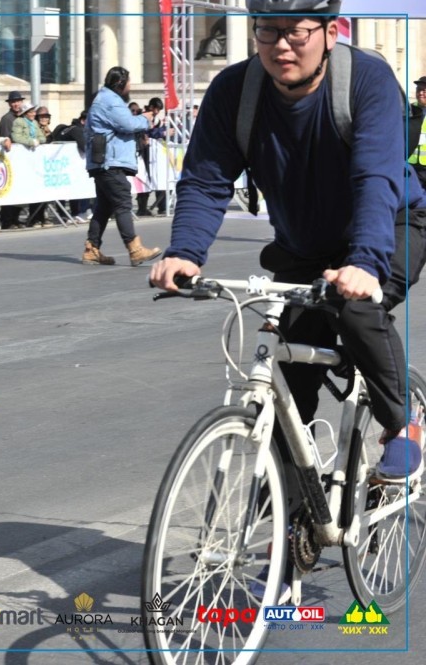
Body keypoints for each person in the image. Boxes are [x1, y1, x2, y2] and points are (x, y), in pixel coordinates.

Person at [149, 0, 426, 482]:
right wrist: (184, 253)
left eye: (296, 32)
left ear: (330, 33)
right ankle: (290, 505)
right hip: (303, 248)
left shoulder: (366, 81)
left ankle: (404, 422)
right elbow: (206, 180)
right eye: (267, 31)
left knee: (356, 309)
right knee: (289, 373)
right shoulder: (234, 92)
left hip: (392, 226)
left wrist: (364, 261)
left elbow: (375, 178)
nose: (281, 46)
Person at [83, 66, 162, 266]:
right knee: (123, 202)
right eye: (128, 83)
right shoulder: (110, 101)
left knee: (104, 207)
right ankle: (135, 249)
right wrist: (145, 119)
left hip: (104, 161)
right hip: (109, 162)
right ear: (120, 84)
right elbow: (128, 124)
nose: (130, 87)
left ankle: (92, 249)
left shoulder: (105, 99)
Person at [0, 91, 26, 230]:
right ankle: (7, 220)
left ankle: (15, 218)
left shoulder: (23, 117)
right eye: (13, 102)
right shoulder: (6, 119)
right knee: (9, 190)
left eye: (18, 101)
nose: (16, 104)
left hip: (20, 159)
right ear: (9, 104)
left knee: (19, 190)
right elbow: (5, 137)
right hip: (11, 158)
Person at [410, 76, 426, 190]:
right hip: (411, 166)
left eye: (424, 91)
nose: (420, 93)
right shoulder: (409, 110)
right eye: (418, 90)